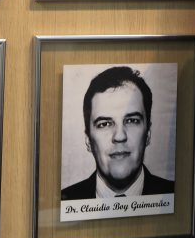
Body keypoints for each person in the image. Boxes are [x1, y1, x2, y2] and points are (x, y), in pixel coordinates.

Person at [61, 66, 173, 200]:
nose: (120, 136)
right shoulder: (65, 200)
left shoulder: (175, 195)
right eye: (104, 124)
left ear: (148, 133)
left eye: (131, 120)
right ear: (88, 140)